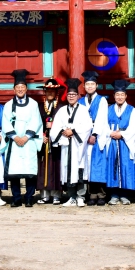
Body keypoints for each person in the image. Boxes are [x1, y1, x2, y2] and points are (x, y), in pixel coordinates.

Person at [2, 69, 44, 207]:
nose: (20, 89)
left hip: (28, 141)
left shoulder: (33, 104)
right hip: (14, 141)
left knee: (29, 170)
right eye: (17, 87)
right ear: (14, 89)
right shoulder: (8, 105)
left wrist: (26, 137)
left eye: (22, 87)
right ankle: (16, 197)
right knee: (14, 171)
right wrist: (15, 137)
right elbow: (6, 122)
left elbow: (36, 121)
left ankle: (29, 197)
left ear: (26, 88)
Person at [50, 78, 93, 207]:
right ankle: (71, 196)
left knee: (80, 168)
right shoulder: (62, 110)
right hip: (66, 144)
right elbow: (55, 128)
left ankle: (81, 196)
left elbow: (87, 126)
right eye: (69, 94)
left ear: (78, 96)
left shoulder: (83, 110)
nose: (71, 97)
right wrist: (64, 132)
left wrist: (73, 131)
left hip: (78, 145)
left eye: (74, 94)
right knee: (67, 170)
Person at [105, 80, 135, 205]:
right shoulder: (109, 109)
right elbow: (103, 125)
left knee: (125, 166)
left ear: (126, 96)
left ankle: (125, 195)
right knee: (112, 166)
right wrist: (110, 133)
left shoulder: (131, 110)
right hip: (112, 142)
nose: (119, 97)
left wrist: (122, 134)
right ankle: (114, 194)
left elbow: (134, 127)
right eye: (117, 95)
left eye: (122, 95)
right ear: (114, 96)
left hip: (125, 142)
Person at [79, 71, 110, 206]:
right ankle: (91, 194)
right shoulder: (81, 101)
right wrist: (85, 134)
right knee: (87, 166)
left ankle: (101, 194)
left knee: (98, 165)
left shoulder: (102, 100)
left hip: (98, 135)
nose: (90, 86)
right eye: (87, 84)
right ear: (84, 86)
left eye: (92, 84)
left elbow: (101, 118)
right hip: (84, 135)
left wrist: (94, 134)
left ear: (96, 85)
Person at [37, 79, 62, 204]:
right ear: (45, 92)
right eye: (48, 91)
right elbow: (35, 123)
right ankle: (44, 195)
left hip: (57, 140)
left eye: (53, 91)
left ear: (57, 92)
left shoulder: (61, 107)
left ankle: (56, 194)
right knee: (43, 167)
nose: (50, 93)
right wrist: (40, 135)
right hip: (44, 140)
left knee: (56, 166)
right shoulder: (39, 106)